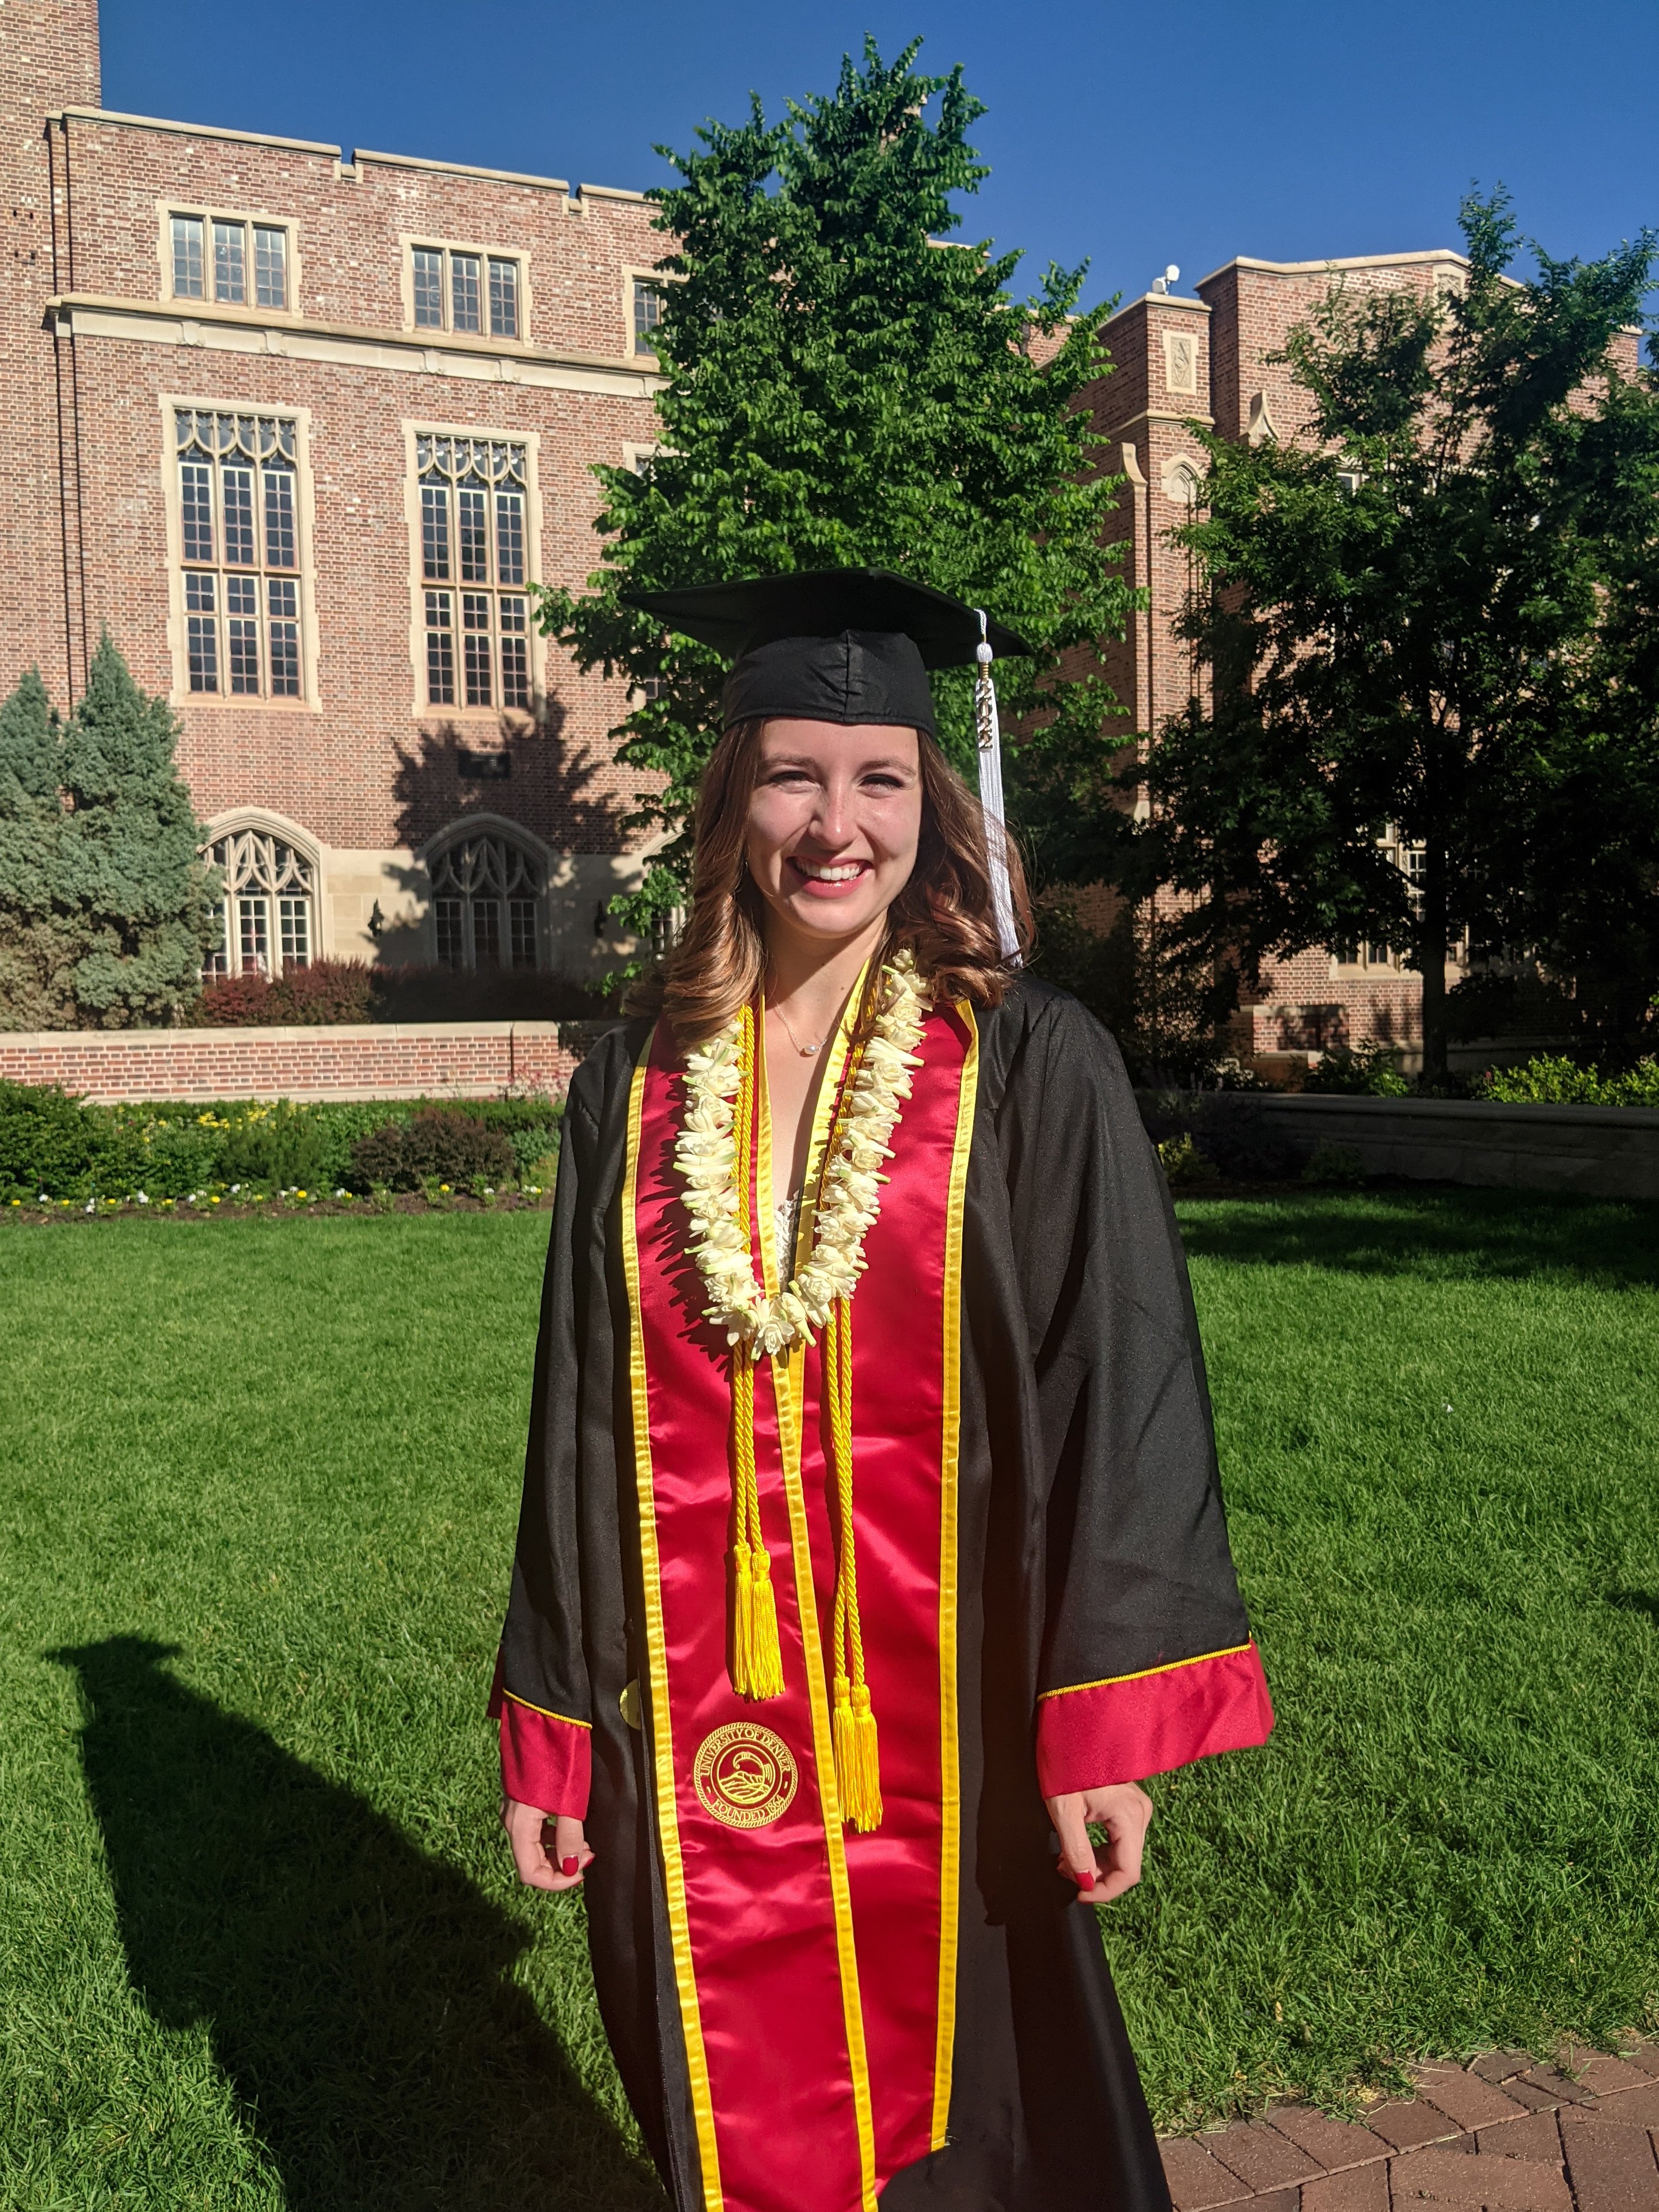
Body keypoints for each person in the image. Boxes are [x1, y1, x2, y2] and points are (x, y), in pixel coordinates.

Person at [491, 569, 1274, 2212]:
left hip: (965, 1705)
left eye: (880, 779)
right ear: (729, 803)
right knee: (713, 2089)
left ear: (933, 804)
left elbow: (1116, 1377)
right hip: (689, 1727)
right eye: (792, 773)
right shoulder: (628, 1087)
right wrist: (554, 1726)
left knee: (983, 2116)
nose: (834, 824)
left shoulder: (1028, 1056)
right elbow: (578, 1412)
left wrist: (1101, 1726)